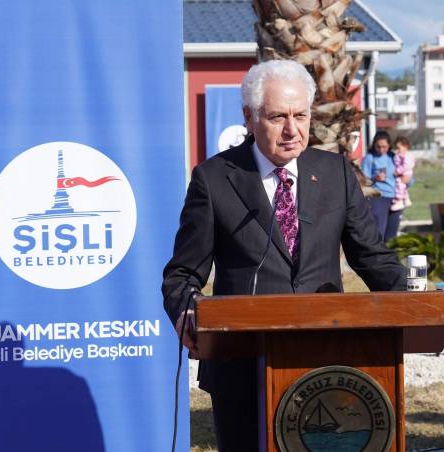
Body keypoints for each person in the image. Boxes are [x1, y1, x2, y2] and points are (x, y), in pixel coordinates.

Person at [161, 60, 407, 451]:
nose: (292, 130)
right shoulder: (214, 178)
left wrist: (423, 304)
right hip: (241, 365)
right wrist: (187, 310)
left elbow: (373, 258)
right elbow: (182, 274)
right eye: (278, 117)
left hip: (326, 360)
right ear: (249, 117)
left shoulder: (337, 173)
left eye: (301, 115)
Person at [361, 131, 401, 241]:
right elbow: (363, 180)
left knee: (392, 235)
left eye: (384, 147)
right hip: (378, 198)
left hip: (396, 199)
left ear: (389, 145)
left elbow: (408, 176)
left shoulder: (394, 157)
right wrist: (375, 178)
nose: (381, 149)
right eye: (378, 146)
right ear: (374, 145)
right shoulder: (370, 158)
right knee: (379, 232)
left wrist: (405, 178)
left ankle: (389, 252)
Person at [391, 136, 415, 212]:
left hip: (405, 173)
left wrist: (398, 171)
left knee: (400, 185)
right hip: (403, 173)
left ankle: (398, 200)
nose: (397, 150)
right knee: (403, 187)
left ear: (406, 147)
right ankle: (406, 199)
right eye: (396, 148)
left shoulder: (408, 155)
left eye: (399, 148)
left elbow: (406, 165)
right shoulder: (400, 154)